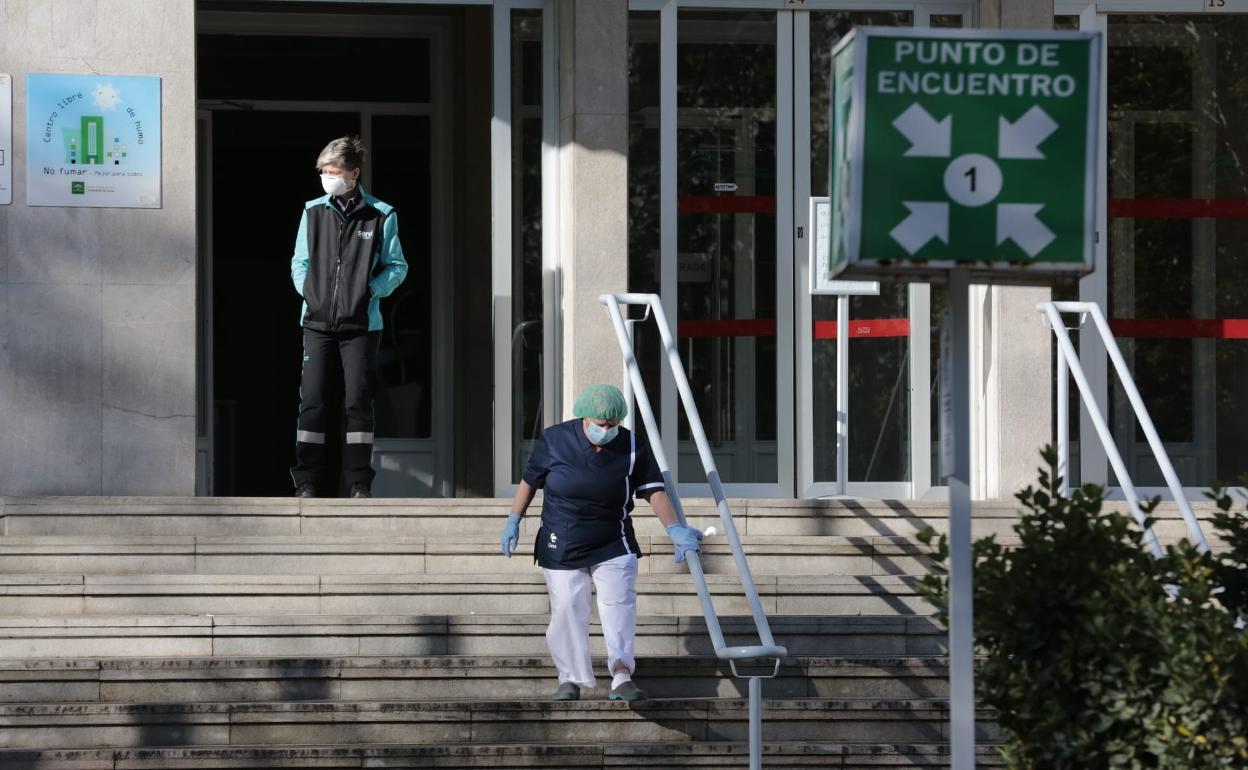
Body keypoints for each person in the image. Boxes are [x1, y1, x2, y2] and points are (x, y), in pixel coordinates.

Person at [499, 384, 705, 702]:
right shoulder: (555, 440)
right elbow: (530, 480)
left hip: (613, 537)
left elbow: (654, 489)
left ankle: (622, 675)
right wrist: (514, 520)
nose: (606, 430)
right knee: (568, 607)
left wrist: (675, 528)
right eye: (600, 423)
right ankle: (569, 677)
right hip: (563, 537)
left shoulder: (633, 445)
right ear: (584, 417)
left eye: (613, 424)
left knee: (619, 604)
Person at [289, 136, 408, 498]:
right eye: (324, 171)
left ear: (354, 173)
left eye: (334, 171)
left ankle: (358, 481)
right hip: (317, 324)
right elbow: (299, 263)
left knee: (357, 401)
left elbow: (397, 267)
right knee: (312, 400)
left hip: (361, 327)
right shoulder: (313, 212)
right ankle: (306, 479)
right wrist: (312, 294)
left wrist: (369, 291)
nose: (327, 177)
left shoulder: (381, 214)